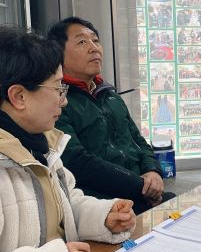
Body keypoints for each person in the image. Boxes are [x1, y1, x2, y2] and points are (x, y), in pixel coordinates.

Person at [0, 28, 135, 252]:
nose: (64, 100)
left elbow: (65, 205)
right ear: (19, 96)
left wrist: (103, 216)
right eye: (58, 89)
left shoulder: (42, 144)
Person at [47, 17, 174, 215]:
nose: (94, 48)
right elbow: (78, 163)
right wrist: (141, 187)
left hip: (139, 194)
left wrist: (153, 171)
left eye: (95, 40)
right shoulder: (58, 102)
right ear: (58, 53)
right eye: (82, 42)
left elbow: (138, 141)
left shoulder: (111, 96)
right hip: (102, 207)